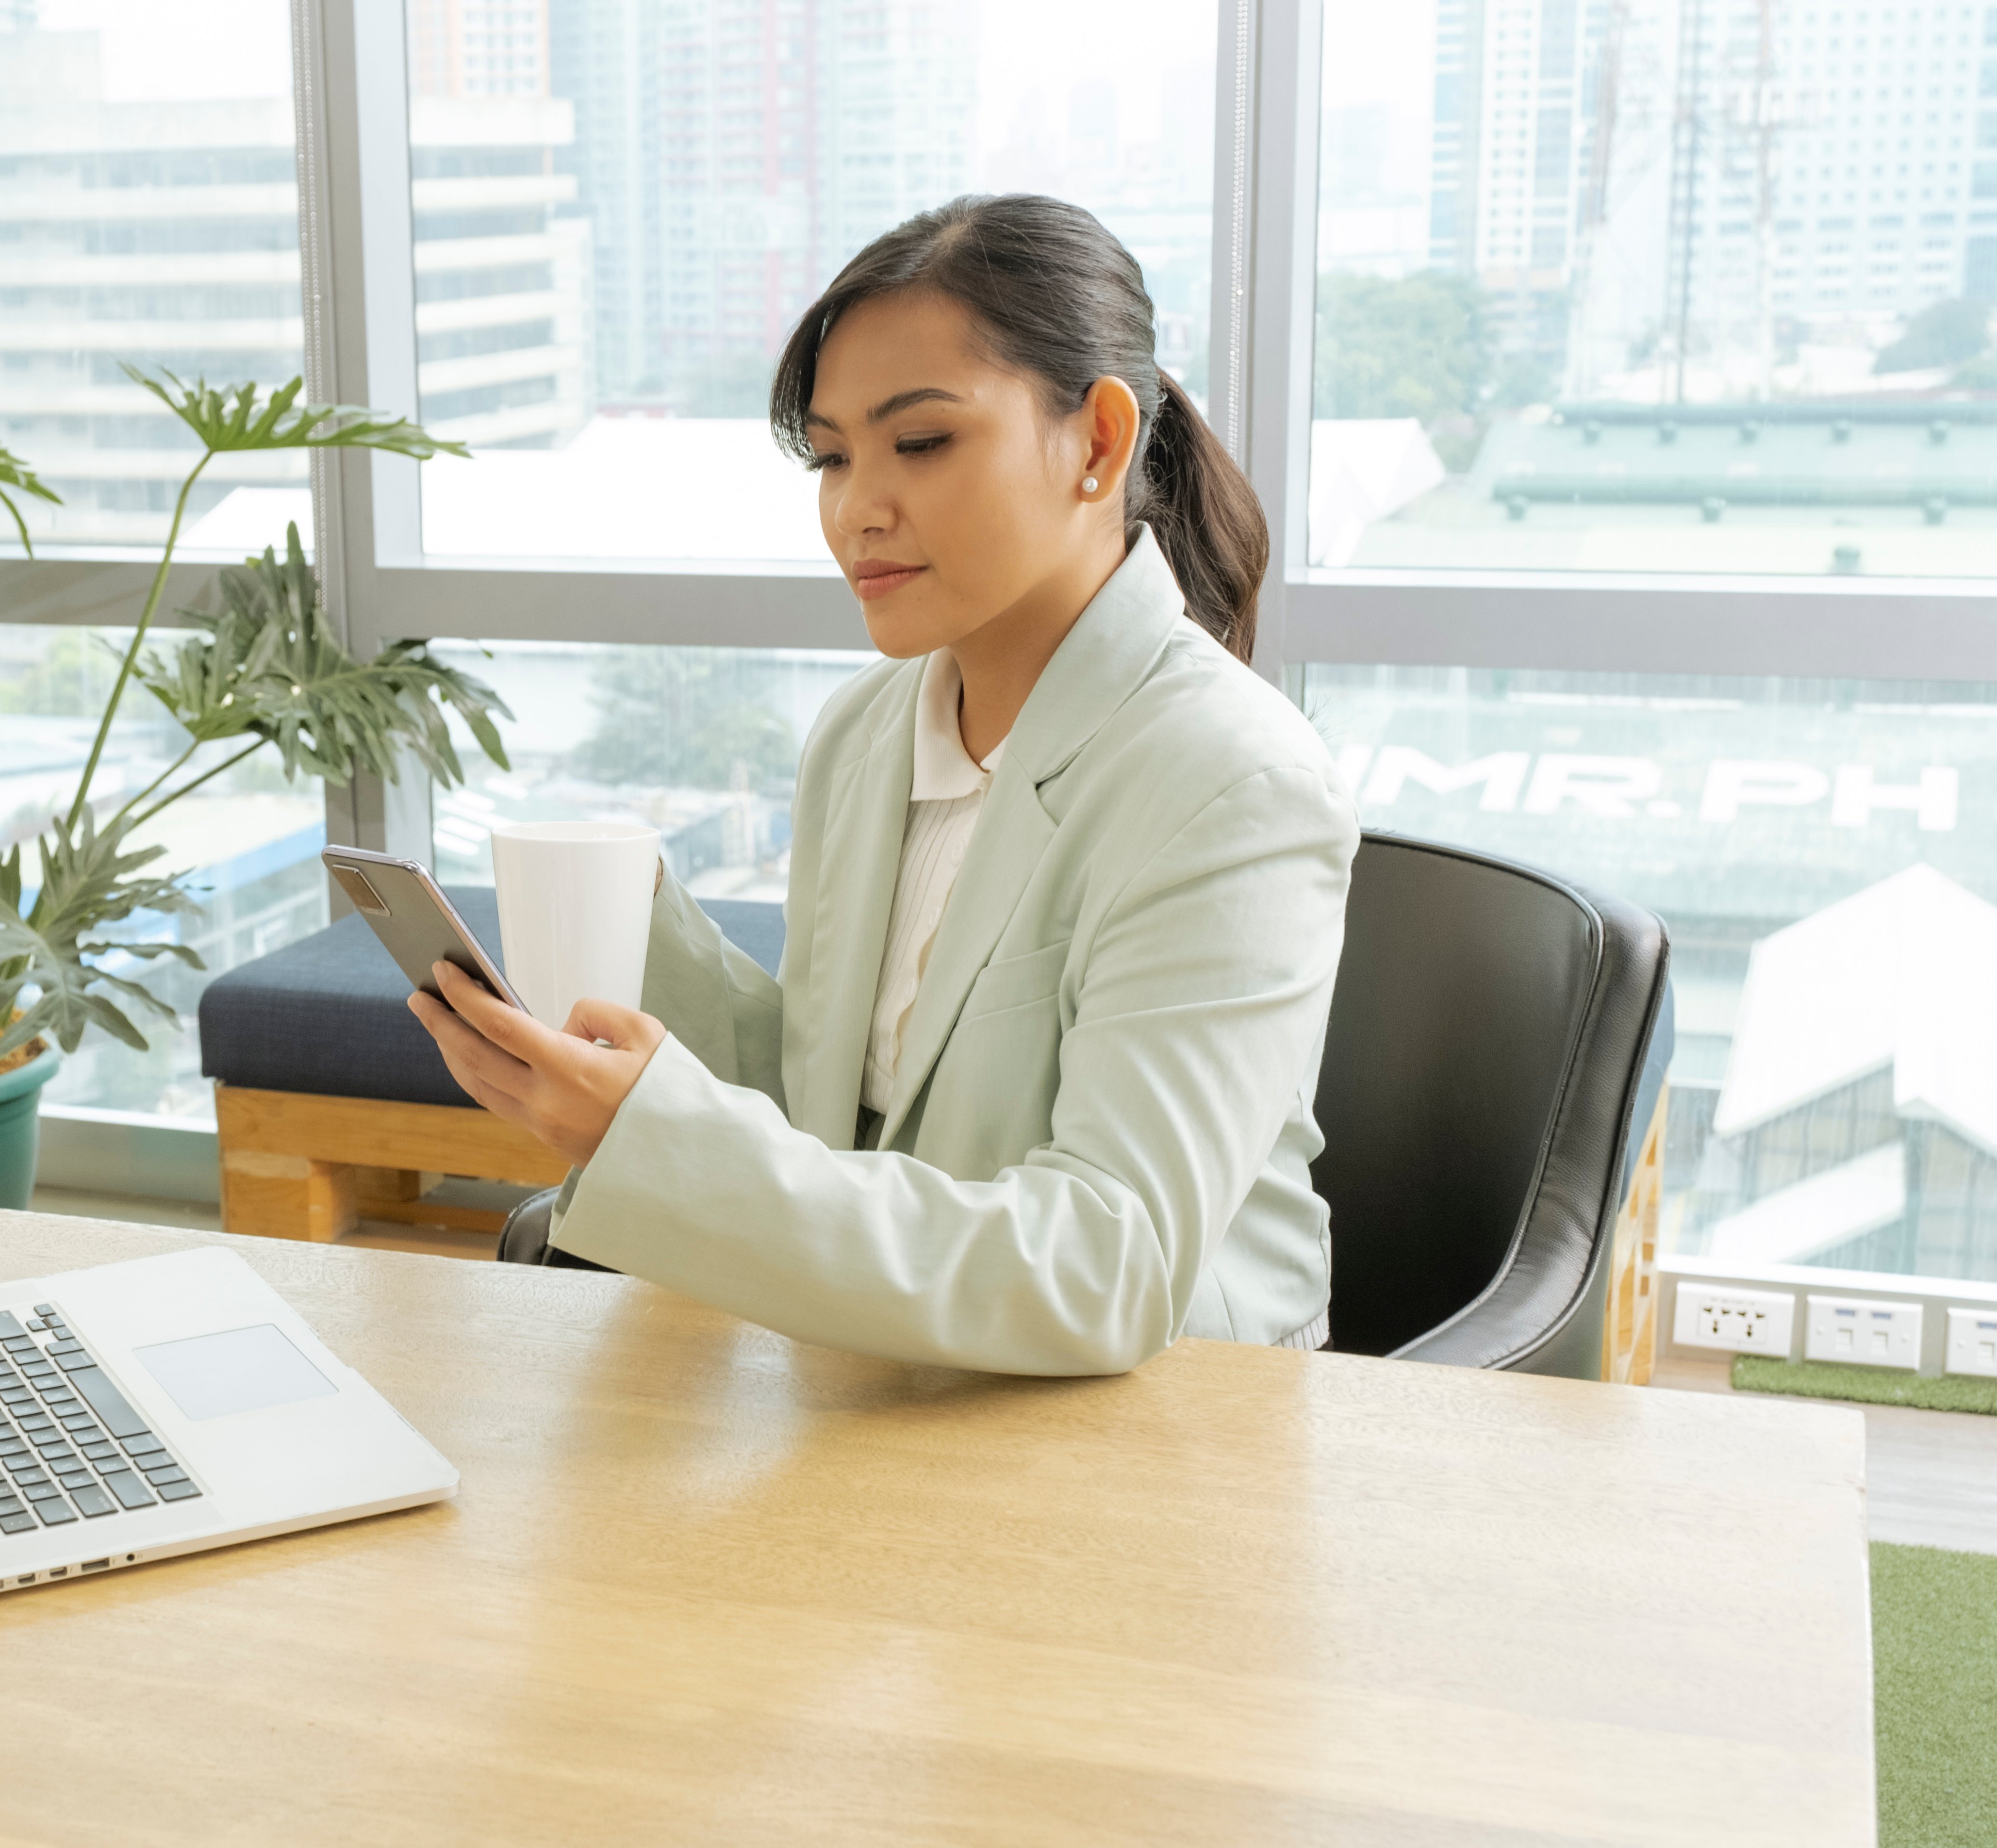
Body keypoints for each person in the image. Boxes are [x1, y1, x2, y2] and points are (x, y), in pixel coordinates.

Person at [407, 194, 1358, 1375]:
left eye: (921, 443)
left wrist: (655, 1136)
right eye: (832, 456)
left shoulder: (1232, 777)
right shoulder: (866, 734)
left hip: (1170, 1415)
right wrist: (620, 982)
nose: (859, 508)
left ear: (1101, 444)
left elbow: (1106, 1265)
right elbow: (842, 1109)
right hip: (897, 1369)